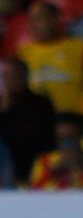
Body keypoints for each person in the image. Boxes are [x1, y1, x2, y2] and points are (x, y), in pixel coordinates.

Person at [17, 2, 83, 113]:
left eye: (38, 19)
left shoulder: (80, 48)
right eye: (31, 20)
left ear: (54, 20)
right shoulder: (23, 53)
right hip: (36, 120)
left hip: (73, 120)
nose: (32, 25)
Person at [0, 57, 56, 186]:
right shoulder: (2, 104)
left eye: (14, 75)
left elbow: (32, 137)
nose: (9, 80)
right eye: (5, 76)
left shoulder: (41, 104)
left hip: (29, 161)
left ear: (25, 76)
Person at [28, 112, 83, 189]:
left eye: (71, 139)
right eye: (62, 139)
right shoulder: (43, 162)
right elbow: (34, 194)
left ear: (81, 137)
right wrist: (55, 173)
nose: (67, 144)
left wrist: (82, 170)